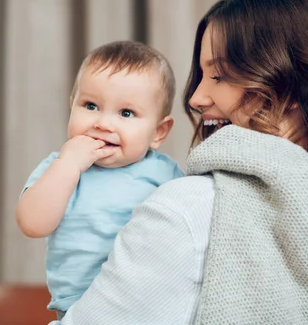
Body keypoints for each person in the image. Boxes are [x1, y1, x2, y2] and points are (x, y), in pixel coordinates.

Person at [50, 0, 308, 324]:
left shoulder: (188, 209)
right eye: (200, 76)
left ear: (291, 86)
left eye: (219, 75)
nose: (196, 98)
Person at [15, 41, 185, 319]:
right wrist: (69, 165)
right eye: (90, 105)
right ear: (72, 106)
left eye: (126, 113)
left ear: (159, 132)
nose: (104, 124)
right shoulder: (59, 167)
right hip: (76, 309)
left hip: (147, 306)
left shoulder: (165, 175)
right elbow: (32, 224)